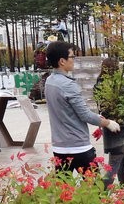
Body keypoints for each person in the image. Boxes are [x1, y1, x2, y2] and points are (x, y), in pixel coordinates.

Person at [44, 41, 119, 174]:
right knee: (94, 189)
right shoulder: (68, 85)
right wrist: (108, 123)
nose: (74, 60)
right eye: (72, 57)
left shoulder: (49, 82)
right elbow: (84, 114)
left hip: (59, 147)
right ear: (62, 61)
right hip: (78, 148)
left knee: (64, 190)